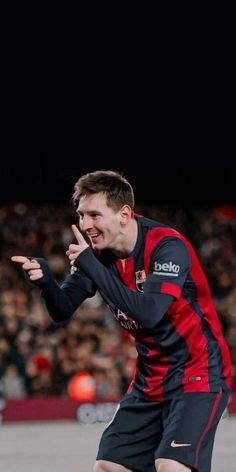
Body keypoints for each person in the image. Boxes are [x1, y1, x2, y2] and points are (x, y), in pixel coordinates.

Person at [11, 170, 232, 472]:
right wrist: (48, 282)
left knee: (171, 466)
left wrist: (89, 263)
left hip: (198, 373)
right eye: (81, 215)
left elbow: (149, 314)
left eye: (94, 215)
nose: (85, 225)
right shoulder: (99, 255)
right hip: (150, 378)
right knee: (108, 466)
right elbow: (61, 310)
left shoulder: (167, 247)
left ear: (124, 214)